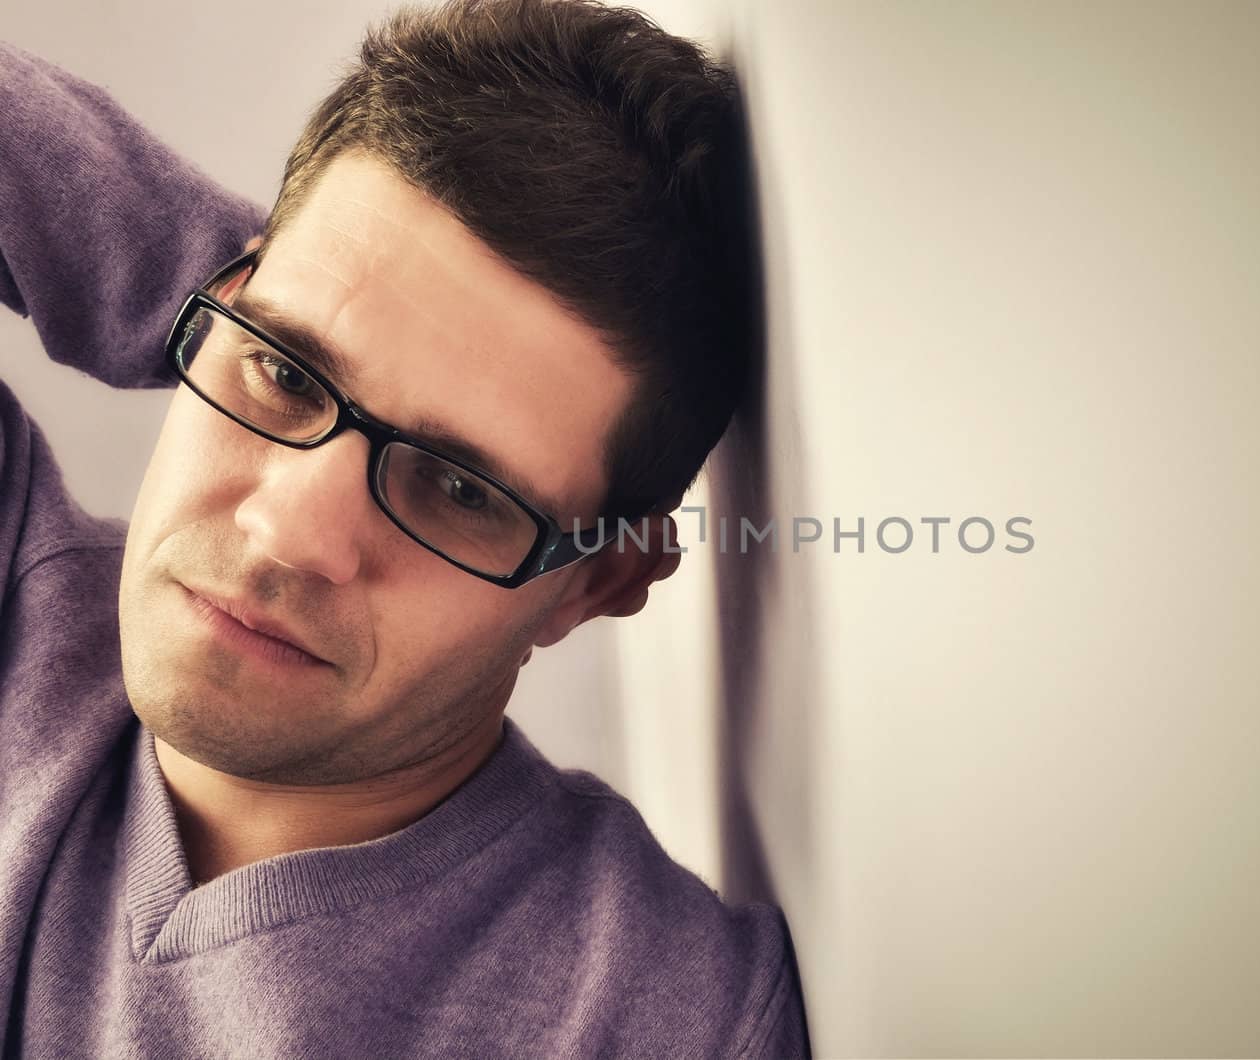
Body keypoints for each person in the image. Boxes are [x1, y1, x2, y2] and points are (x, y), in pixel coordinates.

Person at [0, 0, 808, 1055]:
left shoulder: (654, 1015)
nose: (290, 533)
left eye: (460, 488)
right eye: (286, 372)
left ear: (594, 580)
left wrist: (287, 328)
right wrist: (213, 306)